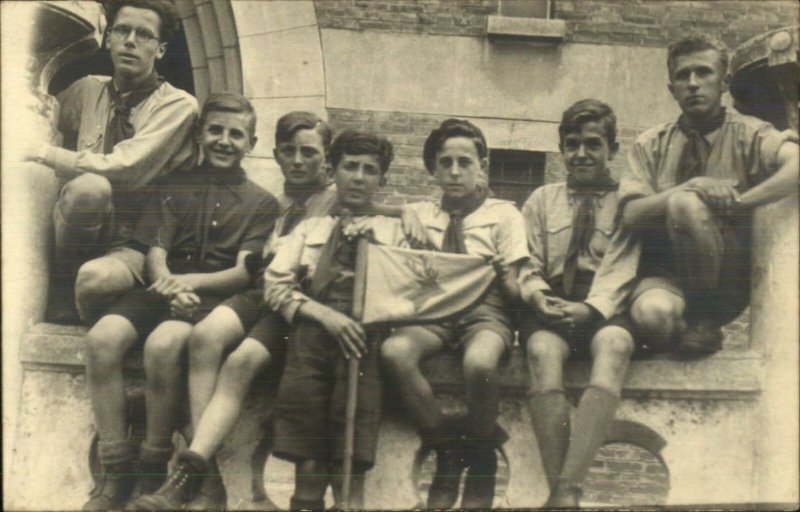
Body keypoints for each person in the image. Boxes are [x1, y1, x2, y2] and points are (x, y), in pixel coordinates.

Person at [80, 92, 279, 510]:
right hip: (162, 287)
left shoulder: (262, 202)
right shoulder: (173, 184)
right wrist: (167, 281)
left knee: (164, 343)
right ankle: (115, 468)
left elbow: (244, 271)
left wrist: (187, 286)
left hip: (214, 297)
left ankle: (153, 466)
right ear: (200, 134)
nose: (225, 140)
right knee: (101, 339)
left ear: (252, 144)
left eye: (236, 134)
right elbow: (155, 248)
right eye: (216, 130)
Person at [129, 111, 336, 510]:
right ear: (275, 154)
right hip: (261, 295)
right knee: (205, 335)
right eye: (289, 152)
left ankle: (192, 476)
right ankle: (204, 477)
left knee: (240, 361)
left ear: (326, 159)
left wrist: (405, 211)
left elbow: (378, 210)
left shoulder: (337, 198)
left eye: (309, 153)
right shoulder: (274, 202)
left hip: (299, 305)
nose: (298, 160)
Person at [380, 119, 530, 509]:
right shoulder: (420, 212)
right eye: (445, 162)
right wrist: (399, 211)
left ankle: (481, 459)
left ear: (483, 164)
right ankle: (445, 448)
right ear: (433, 169)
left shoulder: (505, 215)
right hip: (435, 311)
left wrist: (502, 275)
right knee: (395, 352)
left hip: (487, 310)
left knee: (480, 363)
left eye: (465, 161)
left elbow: (517, 290)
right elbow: (353, 203)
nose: (455, 171)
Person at [621, 35, 799, 357]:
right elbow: (631, 214)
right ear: (671, 89)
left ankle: (704, 320)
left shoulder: (750, 133)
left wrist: (741, 202)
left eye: (703, 73)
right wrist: (695, 185)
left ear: (724, 82)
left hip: (725, 278)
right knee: (652, 316)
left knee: (685, 205)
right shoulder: (651, 143)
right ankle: (682, 335)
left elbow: (797, 167)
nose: (693, 83)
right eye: (682, 75)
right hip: (665, 275)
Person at [25, 0, 199, 323]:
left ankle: (91, 297)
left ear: (160, 50)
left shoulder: (179, 106)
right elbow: (45, 125)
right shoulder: (88, 90)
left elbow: (127, 169)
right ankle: (61, 286)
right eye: (122, 30)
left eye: (144, 35)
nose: (130, 41)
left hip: (136, 241)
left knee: (94, 189)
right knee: (87, 189)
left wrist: (43, 152)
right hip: (76, 234)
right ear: (109, 40)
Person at [264, 130, 408, 511]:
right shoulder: (311, 229)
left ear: (383, 179)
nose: (359, 177)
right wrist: (325, 315)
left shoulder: (397, 233)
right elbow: (275, 285)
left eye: (370, 170)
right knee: (308, 457)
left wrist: (375, 251)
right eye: (350, 167)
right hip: (311, 341)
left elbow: (412, 290)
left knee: (351, 460)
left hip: (364, 342)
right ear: (333, 170)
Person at [519, 99, 641, 508]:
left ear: (612, 149)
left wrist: (593, 308)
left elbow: (626, 265)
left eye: (593, 144)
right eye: (572, 144)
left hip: (606, 302)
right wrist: (538, 297)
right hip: (552, 303)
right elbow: (526, 261)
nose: (582, 154)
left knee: (616, 347)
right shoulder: (541, 200)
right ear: (562, 149)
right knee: (539, 351)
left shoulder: (629, 200)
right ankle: (564, 495)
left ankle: (565, 490)